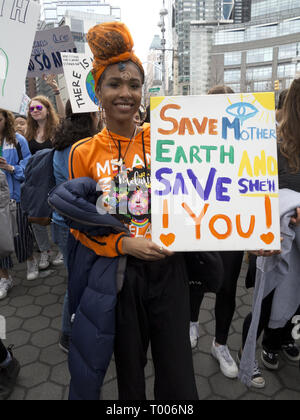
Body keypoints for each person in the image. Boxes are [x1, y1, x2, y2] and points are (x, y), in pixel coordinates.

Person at [65, 22, 198, 400]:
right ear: (98, 91)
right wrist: (125, 245)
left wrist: (256, 232)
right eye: (114, 84)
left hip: (171, 270)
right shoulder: (83, 153)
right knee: (131, 378)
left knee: (178, 374)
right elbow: (80, 225)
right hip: (119, 278)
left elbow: (209, 194)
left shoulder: (167, 137)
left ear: (143, 90)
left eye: (134, 85)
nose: (126, 93)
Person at [239, 78, 300, 388]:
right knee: (265, 300)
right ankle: (248, 353)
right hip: (273, 242)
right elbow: (255, 191)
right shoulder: (272, 143)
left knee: (295, 300)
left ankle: (282, 340)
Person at [188, 85, 243, 380]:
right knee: (195, 280)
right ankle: (191, 323)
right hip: (197, 224)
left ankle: (220, 344)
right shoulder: (190, 140)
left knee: (227, 287)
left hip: (233, 228)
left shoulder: (246, 144)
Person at [51, 100, 100, 353]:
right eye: (97, 112)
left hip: (61, 222)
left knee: (77, 279)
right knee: (78, 282)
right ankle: (68, 335)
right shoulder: (84, 148)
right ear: (91, 115)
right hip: (78, 225)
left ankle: (75, 330)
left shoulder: (61, 143)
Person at [0, 109, 36, 297]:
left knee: (20, 233)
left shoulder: (17, 141)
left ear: (6, 120)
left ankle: (30, 259)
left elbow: (27, 166)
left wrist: (10, 167)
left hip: (15, 196)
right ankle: (4, 277)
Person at [26, 95, 60, 270]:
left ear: (47, 109)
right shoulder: (28, 134)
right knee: (36, 219)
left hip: (55, 180)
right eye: (32, 109)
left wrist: (56, 93)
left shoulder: (57, 130)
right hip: (37, 183)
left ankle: (61, 248)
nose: (35, 111)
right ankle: (45, 252)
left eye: (39, 108)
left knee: (57, 216)